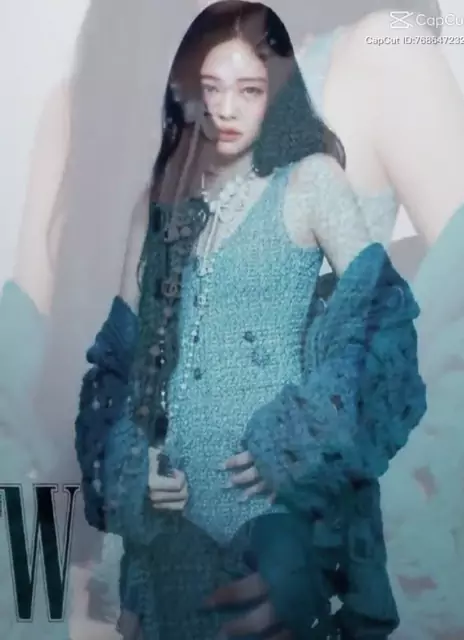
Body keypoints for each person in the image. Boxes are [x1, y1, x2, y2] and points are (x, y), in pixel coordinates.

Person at [75, 4, 425, 639]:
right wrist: (134, 468)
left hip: (274, 524)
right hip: (170, 534)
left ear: (278, 91)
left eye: (249, 90)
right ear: (187, 95)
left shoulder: (310, 183)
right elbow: (119, 366)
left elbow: (381, 324)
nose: (226, 109)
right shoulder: (158, 205)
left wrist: (298, 440)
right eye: (210, 89)